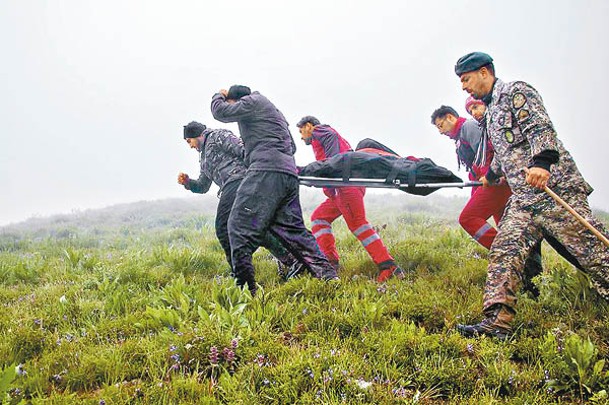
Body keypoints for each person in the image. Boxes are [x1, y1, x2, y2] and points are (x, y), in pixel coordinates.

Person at [453, 51, 609, 339]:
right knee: (504, 250)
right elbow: (507, 150)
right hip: (524, 200)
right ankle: (497, 323)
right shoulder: (489, 114)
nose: (464, 86)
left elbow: (540, 129)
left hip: (553, 189)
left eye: (466, 79)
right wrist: (492, 174)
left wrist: (542, 163)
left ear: (484, 72)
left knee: (592, 253)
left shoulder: (516, 92)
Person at [210, 85, 338, 294]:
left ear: (238, 100)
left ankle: (245, 290)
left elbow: (221, 112)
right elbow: (293, 147)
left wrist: (219, 96)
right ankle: (329, 276)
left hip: (265, 172)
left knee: (237, 226)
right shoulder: (274, 113)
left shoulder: (252, 101)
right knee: (294, 230)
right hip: (286, 174)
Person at [177, 121, 304, 280]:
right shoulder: (203, 158)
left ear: (197, 135)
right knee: (254, 228)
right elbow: (203, 185)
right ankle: (293, 261)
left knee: (223, 227)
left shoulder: (218, 136)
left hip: (240, 181)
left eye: (189, 141)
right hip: (232, 186)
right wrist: (188, 183)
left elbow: (244, 150)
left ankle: (239, 273)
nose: (190, 146)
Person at [296, 116, 405, 282]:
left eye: (301, 131)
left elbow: (333, 161)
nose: (301, 136)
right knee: (319, 218)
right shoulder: (325, 138)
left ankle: (388, 266)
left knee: (358, 225)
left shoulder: (321, 131)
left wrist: (330, 168)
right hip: (341, 190)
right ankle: (330, 263)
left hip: (346, 188)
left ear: (309, 126)